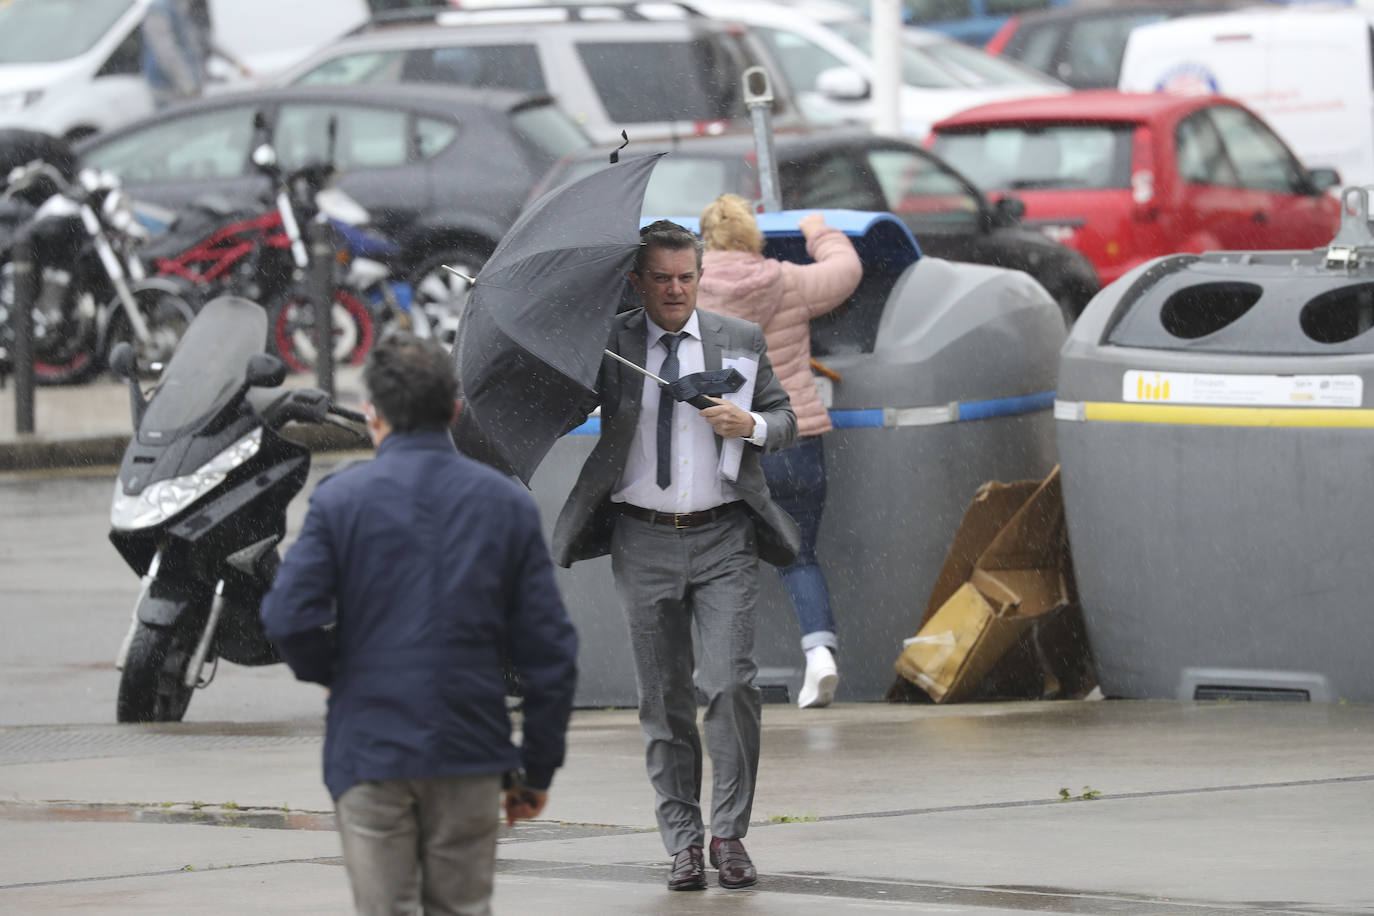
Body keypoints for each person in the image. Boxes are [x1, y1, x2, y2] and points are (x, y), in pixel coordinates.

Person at [260, 332, 578, 916]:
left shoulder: (341, 499)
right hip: (470, 750)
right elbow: (549, 652)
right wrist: (537, 766)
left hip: (371, 749)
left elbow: (286, 616)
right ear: (455, 411)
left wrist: (336, 673)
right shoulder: (503, 504)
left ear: (373, 415)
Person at [552, 220, 801, 892]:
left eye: (685, 276)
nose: (674, 289)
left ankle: (729, 834)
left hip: (725, 535)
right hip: (642, 536)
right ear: (638, 280)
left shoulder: (738, 342)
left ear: (699, 275)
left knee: (731, 684)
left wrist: (747, 424)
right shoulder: (612, 345)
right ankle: (683, 842)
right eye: (660, 278)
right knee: (662, 700)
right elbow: (560, 392)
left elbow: (787, 419)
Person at [696, 195, 862, 710]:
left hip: (729, 445)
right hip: (794, 437)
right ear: (752, 237)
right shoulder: (788, 280)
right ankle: (819, 658)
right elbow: (847, 269)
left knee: (723, 562)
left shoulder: (691, 290)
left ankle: (719, 672)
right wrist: (818, 229)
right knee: (799, 556)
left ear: (706, 240)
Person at [142, 0, 252, 109]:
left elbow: (203, 40)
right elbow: (166, 52)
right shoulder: (159, 9)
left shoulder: (182, 9)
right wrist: (189, 87)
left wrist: (237, 64)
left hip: (184, 90)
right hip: (169, 91)